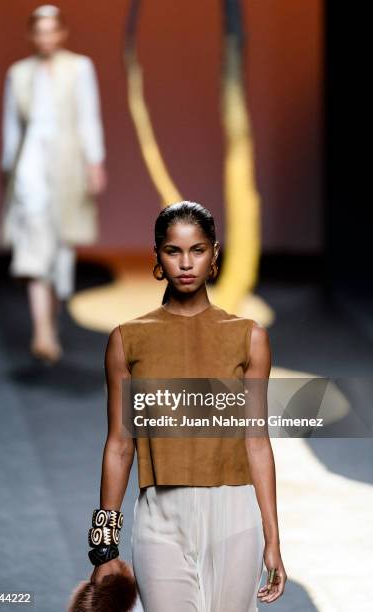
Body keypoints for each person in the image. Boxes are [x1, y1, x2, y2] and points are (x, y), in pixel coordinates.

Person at [87, 201, 287, 611]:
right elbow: (120, 445)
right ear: (157, 256)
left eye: (197, 250)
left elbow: (257, 443)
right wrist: (104, 549)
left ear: (214, 255)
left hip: (234, 516)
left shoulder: (248, 338)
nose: (185, 263)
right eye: (173, 251)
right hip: (160, 517)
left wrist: (273, 540)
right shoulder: (128, 340)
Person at [0, 4, 107, 364]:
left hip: (68, 164)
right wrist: (8, 169)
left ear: (61, 33)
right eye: (38, 31)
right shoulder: (19, 73)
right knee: (34, 238)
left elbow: (88, 116)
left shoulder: (79, 67)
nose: (45, 38)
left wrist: (95, 161)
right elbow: (12, 126)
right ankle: (41, 331)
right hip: (31, 165)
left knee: (61, 246)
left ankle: (50, 325)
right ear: (32, 35)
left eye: (50, 30)